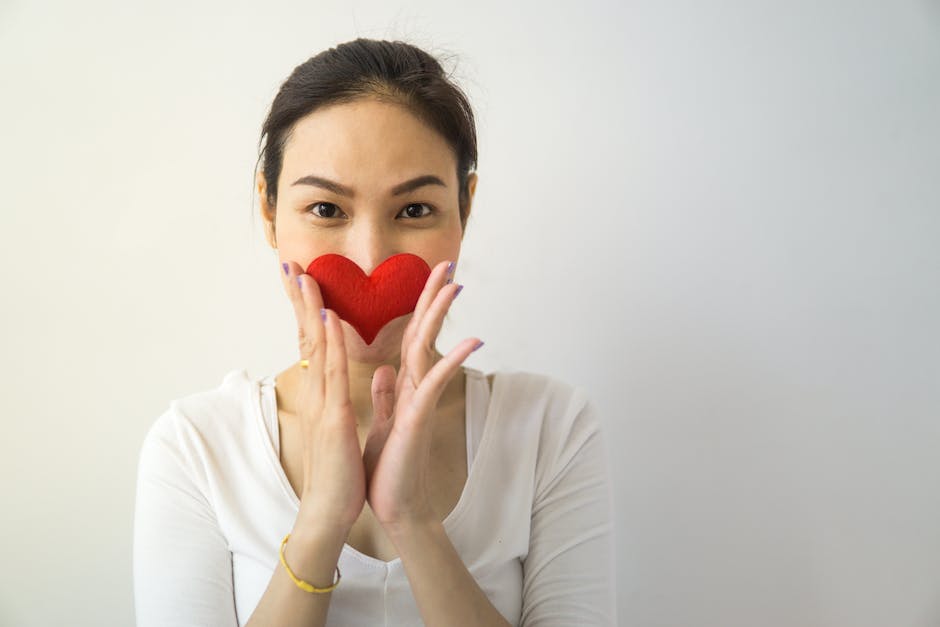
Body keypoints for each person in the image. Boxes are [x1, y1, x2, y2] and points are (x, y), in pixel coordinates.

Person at [133, 37, 616, 626]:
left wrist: (411, 521)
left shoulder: (551, 428)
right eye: (326, 210)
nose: (369, 258)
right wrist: (320, 525)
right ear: (267, 209)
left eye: (413, 210)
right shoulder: (196, 446)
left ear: (464, 206)